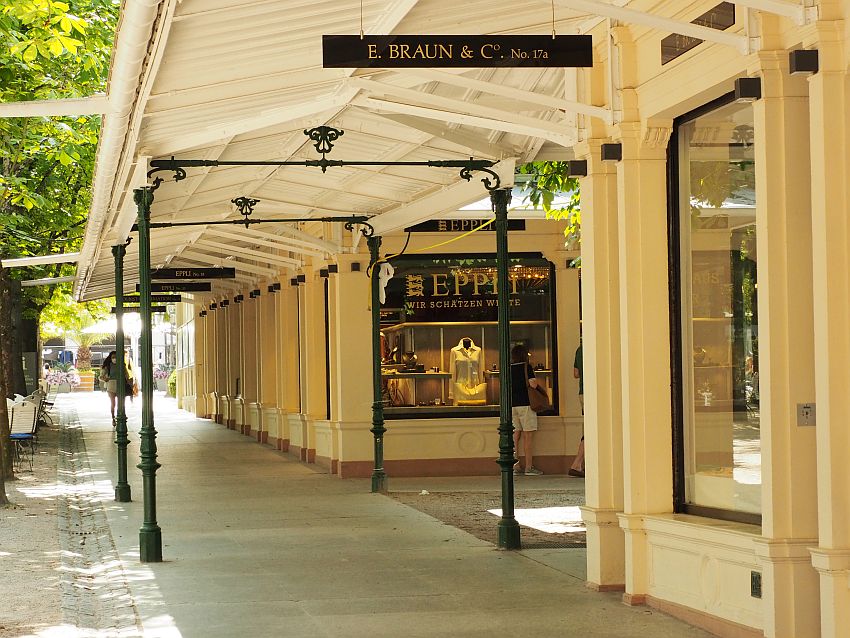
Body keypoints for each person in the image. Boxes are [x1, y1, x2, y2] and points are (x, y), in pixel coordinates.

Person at [511, 343, 543, 476]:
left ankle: (514, 465)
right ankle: (529, 467)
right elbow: (533, 384)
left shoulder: (509, 368)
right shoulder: (527, 367)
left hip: (512, 405)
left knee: (514, 435)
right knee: (527, 436)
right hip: (526, 404)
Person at [99, 350, 134, 426]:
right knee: (113, 404)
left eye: (116, 357)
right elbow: (101, 376)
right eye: (113, 357)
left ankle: (120, 417)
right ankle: (113, 418)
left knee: (121, 404)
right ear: (110, 358)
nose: (114, 359)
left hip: (120, 386)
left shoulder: (122, 365)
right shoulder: (108, 366)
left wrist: (130, 383)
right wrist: (105, 379)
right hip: (111, 386)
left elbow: (127, 376)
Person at [569, 343, 585, 478]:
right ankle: (577, 463)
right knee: (593, 430)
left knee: (590, 428)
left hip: (582, 392)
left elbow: (575, 373)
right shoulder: (600, 345)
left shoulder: (579, 349)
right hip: (595, 393)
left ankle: (578, 464)